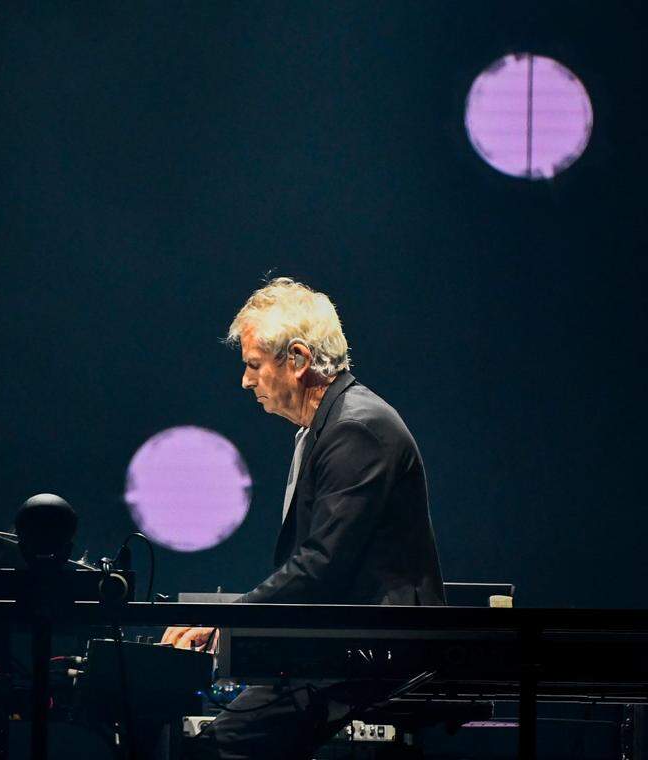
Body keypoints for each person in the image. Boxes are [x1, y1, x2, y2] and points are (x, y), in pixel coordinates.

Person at [163, 277, 444, 758]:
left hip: (372, 656)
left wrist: (225, 620)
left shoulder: (357, 428)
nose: (245, 380)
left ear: (297, 359)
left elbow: (322, 564)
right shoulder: (328, 426)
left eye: (254, 364)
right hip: (343, 647)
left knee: (215, 748)